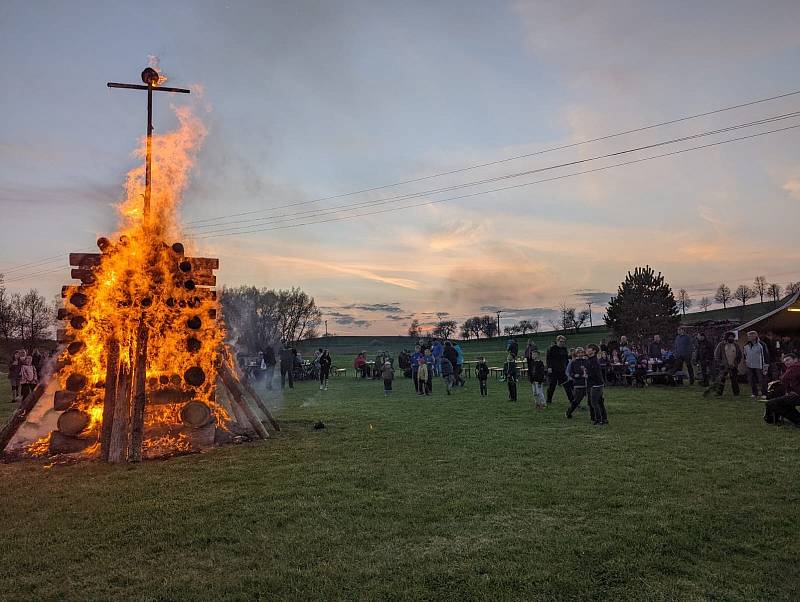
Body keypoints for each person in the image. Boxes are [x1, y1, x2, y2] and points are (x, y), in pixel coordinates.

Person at [764, 353, 800, 426]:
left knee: (771, 402)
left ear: (795, 359)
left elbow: (784, 378)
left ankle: (770, 419)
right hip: (795, 393)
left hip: (798, 395)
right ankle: (772, 418)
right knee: (776, 397)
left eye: (788, 360)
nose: (786, 362)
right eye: (785, 361)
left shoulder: (796, 367)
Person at [705, 332, 742, 397]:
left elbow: (739, 356)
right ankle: (719, 393)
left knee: (734, 380)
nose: (731, 338)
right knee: (721, 380)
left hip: (733, 366)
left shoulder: (736, 345)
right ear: (727, 337)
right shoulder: (721, 345)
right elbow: (716, 355)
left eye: (732, 337)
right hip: (723, 366)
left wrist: (736, 363)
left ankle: (736, 393)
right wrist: (720, 363)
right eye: (730, 337)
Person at [546, 335, 574, 405]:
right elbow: (548, 358)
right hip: (554, 370)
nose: (562, 343)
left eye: (563, 342)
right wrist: (549, 367)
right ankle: (549, 400)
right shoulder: (552, 348)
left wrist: (568, 368)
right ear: (557, 341)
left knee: (567, 386)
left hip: (562, 371)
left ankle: (572, 400)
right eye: (561, 341)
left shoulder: (564, 349)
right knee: (552, 386)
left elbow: (566, 359)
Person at [565, 347, 591, 419]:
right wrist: (574, 375)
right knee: (577, 400)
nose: (580, 354)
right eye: (579, 353)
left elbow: (589, 369)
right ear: (576, 354)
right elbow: (570, 372)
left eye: (581, 352)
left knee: (591, 399)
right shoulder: (573, 362)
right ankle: (569, 412)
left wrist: (587, 373)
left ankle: (593, 415)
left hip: (586, 383)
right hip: (578, 383)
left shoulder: (586, 361)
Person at [743, 330, 770, 399]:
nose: (749, 337)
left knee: (762, 380)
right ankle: (754, 393)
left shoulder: (762, 345)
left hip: (760, 365)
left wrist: (766, 364)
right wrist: (746, 362)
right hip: (750, 365)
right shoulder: (746, 345)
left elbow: (766, 354)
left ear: (755, 336)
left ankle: (764, 393)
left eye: (751, 336)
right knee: (751, 380)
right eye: (748, 336)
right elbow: (745, 355)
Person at [585, 344, 608, 425]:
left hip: (596, 385)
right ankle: (604, 419)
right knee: (600, 402)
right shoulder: (592, 359)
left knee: (594, 403)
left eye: (589, 348)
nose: (587, 350)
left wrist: (586, 374)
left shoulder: (593, 360)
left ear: (594, 351)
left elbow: (594, 373)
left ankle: (599, 420)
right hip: (598, 384)